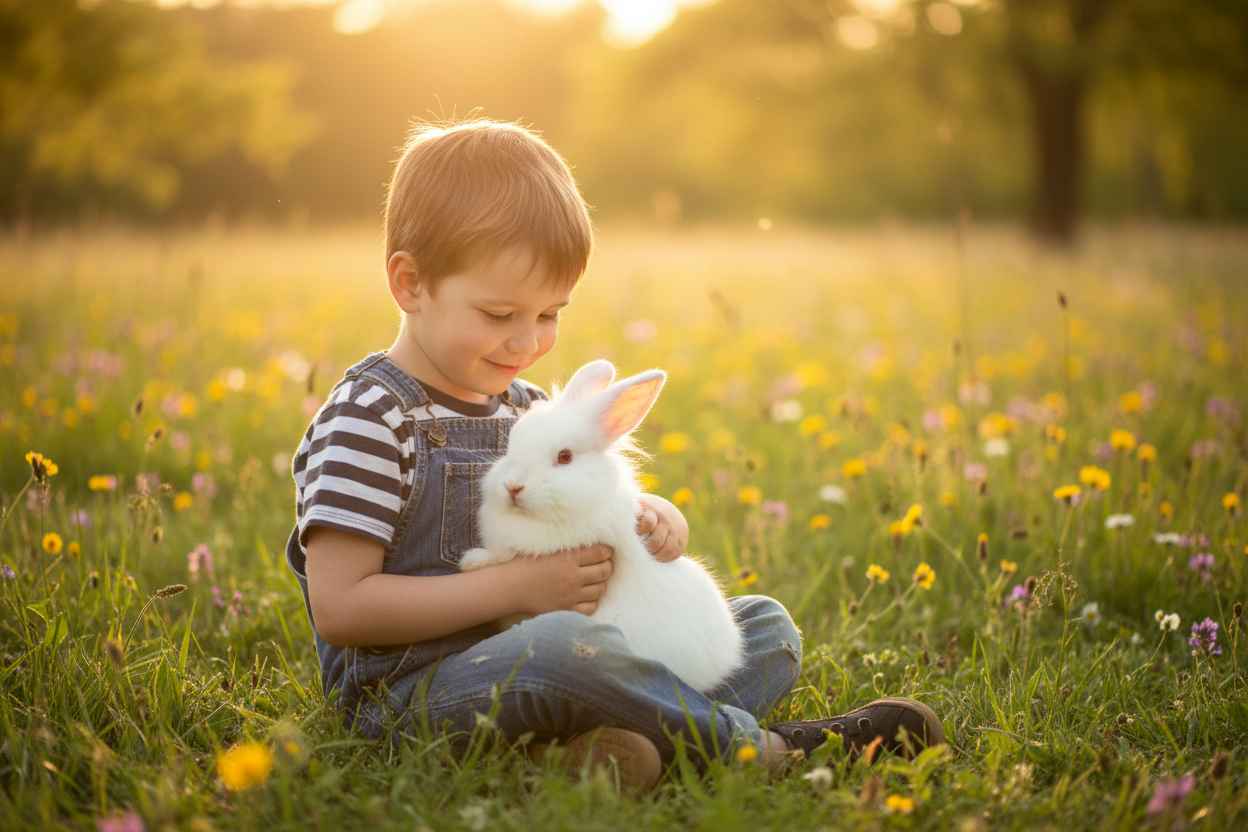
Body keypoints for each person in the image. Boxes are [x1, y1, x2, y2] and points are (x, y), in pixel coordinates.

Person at [284, 119, 945, 792]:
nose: (526, 341)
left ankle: (585, 756)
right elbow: (343, 609)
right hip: (415, 695)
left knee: (763, 627)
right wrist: (515, 589)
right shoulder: (370, 419)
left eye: (549, 314)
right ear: (410, 283)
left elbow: (584, 499)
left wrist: (645, 518)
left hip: (568, 654)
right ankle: (763, 751)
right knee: (571, 650)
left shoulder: (529, 407)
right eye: (499, 313)